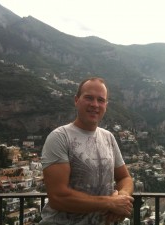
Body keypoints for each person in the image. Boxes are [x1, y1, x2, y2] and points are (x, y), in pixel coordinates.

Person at [39, 77, 134, 225]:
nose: (95, 104)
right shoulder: (60, 137)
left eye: (100, 100)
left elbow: (124, 178)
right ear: (76, 100)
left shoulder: (108, 137)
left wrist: (121, 197)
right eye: (89, 98)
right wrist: (110, 203)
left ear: (106, 105)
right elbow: (58, 197)